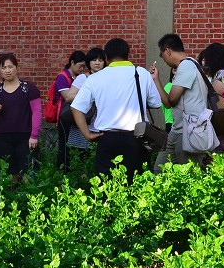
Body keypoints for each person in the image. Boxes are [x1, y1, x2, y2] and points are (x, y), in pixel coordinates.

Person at [70, 37, 163, 183]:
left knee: (105, 186)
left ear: (106, 58)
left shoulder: (95, 78)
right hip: (136, 139)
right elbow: (156, 103)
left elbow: (76, 107)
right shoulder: (141, 73)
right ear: (128, 55)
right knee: (135, 185)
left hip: (107, 139)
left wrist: (87, 134)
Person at [149, 33, 214, 168]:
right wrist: (156, 79)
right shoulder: (191, 65)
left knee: (189, 176)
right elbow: (168, 103)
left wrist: (157, 81)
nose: (164, 61)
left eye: (162, 56)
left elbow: (171, 100)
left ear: (167, 51)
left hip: (188, 131)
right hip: (177, 130)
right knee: (160, 170)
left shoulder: (186, 66)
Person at [0, 53, 42, 185]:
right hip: (3, 138)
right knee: (9, 175)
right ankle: (11, 202)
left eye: (10, 66)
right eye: (3, 68)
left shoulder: (28, 88)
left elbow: (37, 112)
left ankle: (28, 201)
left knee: (28, 173)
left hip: (25, 137)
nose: (7, 70)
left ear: (16, 67)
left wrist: (34, 135)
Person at [61, 47, 106, 166]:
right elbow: (69, 96)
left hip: (101, 124)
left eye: (100, 60)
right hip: (83, 124)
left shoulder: (107, 77)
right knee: (80, 160)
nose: (97, 63)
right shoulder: (83, 78)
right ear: (88, 62)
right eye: (94, 60)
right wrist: (88, 96)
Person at [55, 50, 88, 171]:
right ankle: (62, 171)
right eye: (80, 66)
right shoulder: (62, 77)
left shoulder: (79, 77)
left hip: (76, 116)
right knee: (64, 146)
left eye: (84, 66)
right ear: (72, 62)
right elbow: (67, 97)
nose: (82, 69)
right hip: (65, 117)